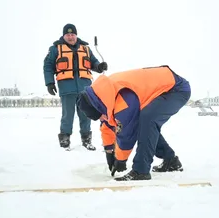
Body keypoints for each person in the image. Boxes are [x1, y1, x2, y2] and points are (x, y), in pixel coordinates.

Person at [76, 65, 191, 181]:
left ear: (98, 107)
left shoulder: (123, 98)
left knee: (148, 119)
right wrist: (109, 150)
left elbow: (127, 133)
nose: (101, 119)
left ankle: (141, 171)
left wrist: (120, 159)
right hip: (167, 85)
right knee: (144, 122)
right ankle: (171, 161)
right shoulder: (105, 93)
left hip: (176, 89)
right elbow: (108, 123)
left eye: (99, 116)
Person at [43, 23, 107, 151]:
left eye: (73, 34)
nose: (71, 37)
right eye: (68, 34)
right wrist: (49, 83)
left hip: (85, 88)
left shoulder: (86, 48)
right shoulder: (55, 49)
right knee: (68, 115)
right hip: (67, 88)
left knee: (86, 114)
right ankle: (65, 140)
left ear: (76, 35)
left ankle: (86, 140)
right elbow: (48, 66)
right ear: (64, 35)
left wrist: (99, 67)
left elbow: (93, 62)